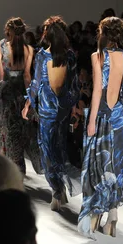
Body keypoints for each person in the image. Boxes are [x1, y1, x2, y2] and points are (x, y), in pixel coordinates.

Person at [78, 16, 123, 239]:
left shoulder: (98, 56)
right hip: (120, 117)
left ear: (103, 33)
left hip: (103, 114)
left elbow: (97, 91)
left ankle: (95, 213)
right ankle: (112, 214)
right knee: (116, 165)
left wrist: (92, 120)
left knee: (97, 164)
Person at [22, 16, 81, 211]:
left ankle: (57, 190)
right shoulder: (70, 56)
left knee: (48, 150)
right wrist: (72, 107)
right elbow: (74, 86)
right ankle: (59, 189)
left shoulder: (42, 55)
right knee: (58, 148)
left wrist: (27, 103)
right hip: (62, 109)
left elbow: (37, 83)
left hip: (48, 110)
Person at [0, 17, 34, 173]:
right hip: (20, 94)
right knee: (16, 132)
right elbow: (26, 76)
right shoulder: (29, 49)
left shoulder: (3, 46)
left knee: (3, 130)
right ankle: (17, 171)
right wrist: (29, 100)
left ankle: (1, 167)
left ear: (9, 30)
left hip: (5, 93)